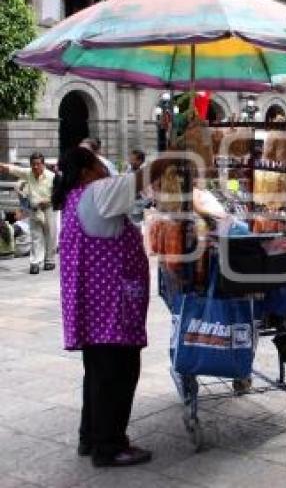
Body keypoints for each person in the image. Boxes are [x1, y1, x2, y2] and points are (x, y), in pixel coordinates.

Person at [52, 146, 173, 467]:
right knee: (118, 375)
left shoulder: (75, 198)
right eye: (100, 165)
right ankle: (110, 446)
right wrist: (180, 151)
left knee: (97, 375)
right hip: (111, 310)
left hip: (93, 309)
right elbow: (145, 175)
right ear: (87, 172)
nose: (106, 170)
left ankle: (90, 438)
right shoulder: (97, 192)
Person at [0, 153, 56, 274]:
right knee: (36, 235)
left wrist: (47, 201)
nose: (35, 167)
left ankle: (49, 260)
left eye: (38, 164)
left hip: (49, 208)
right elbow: (14, 169)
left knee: (50, 234)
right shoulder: (28, 173)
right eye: (33, 164)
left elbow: (58, 194)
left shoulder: (52, 176)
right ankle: (35, 262)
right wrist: (3, 166)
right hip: (34, 209)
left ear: (43, 164)